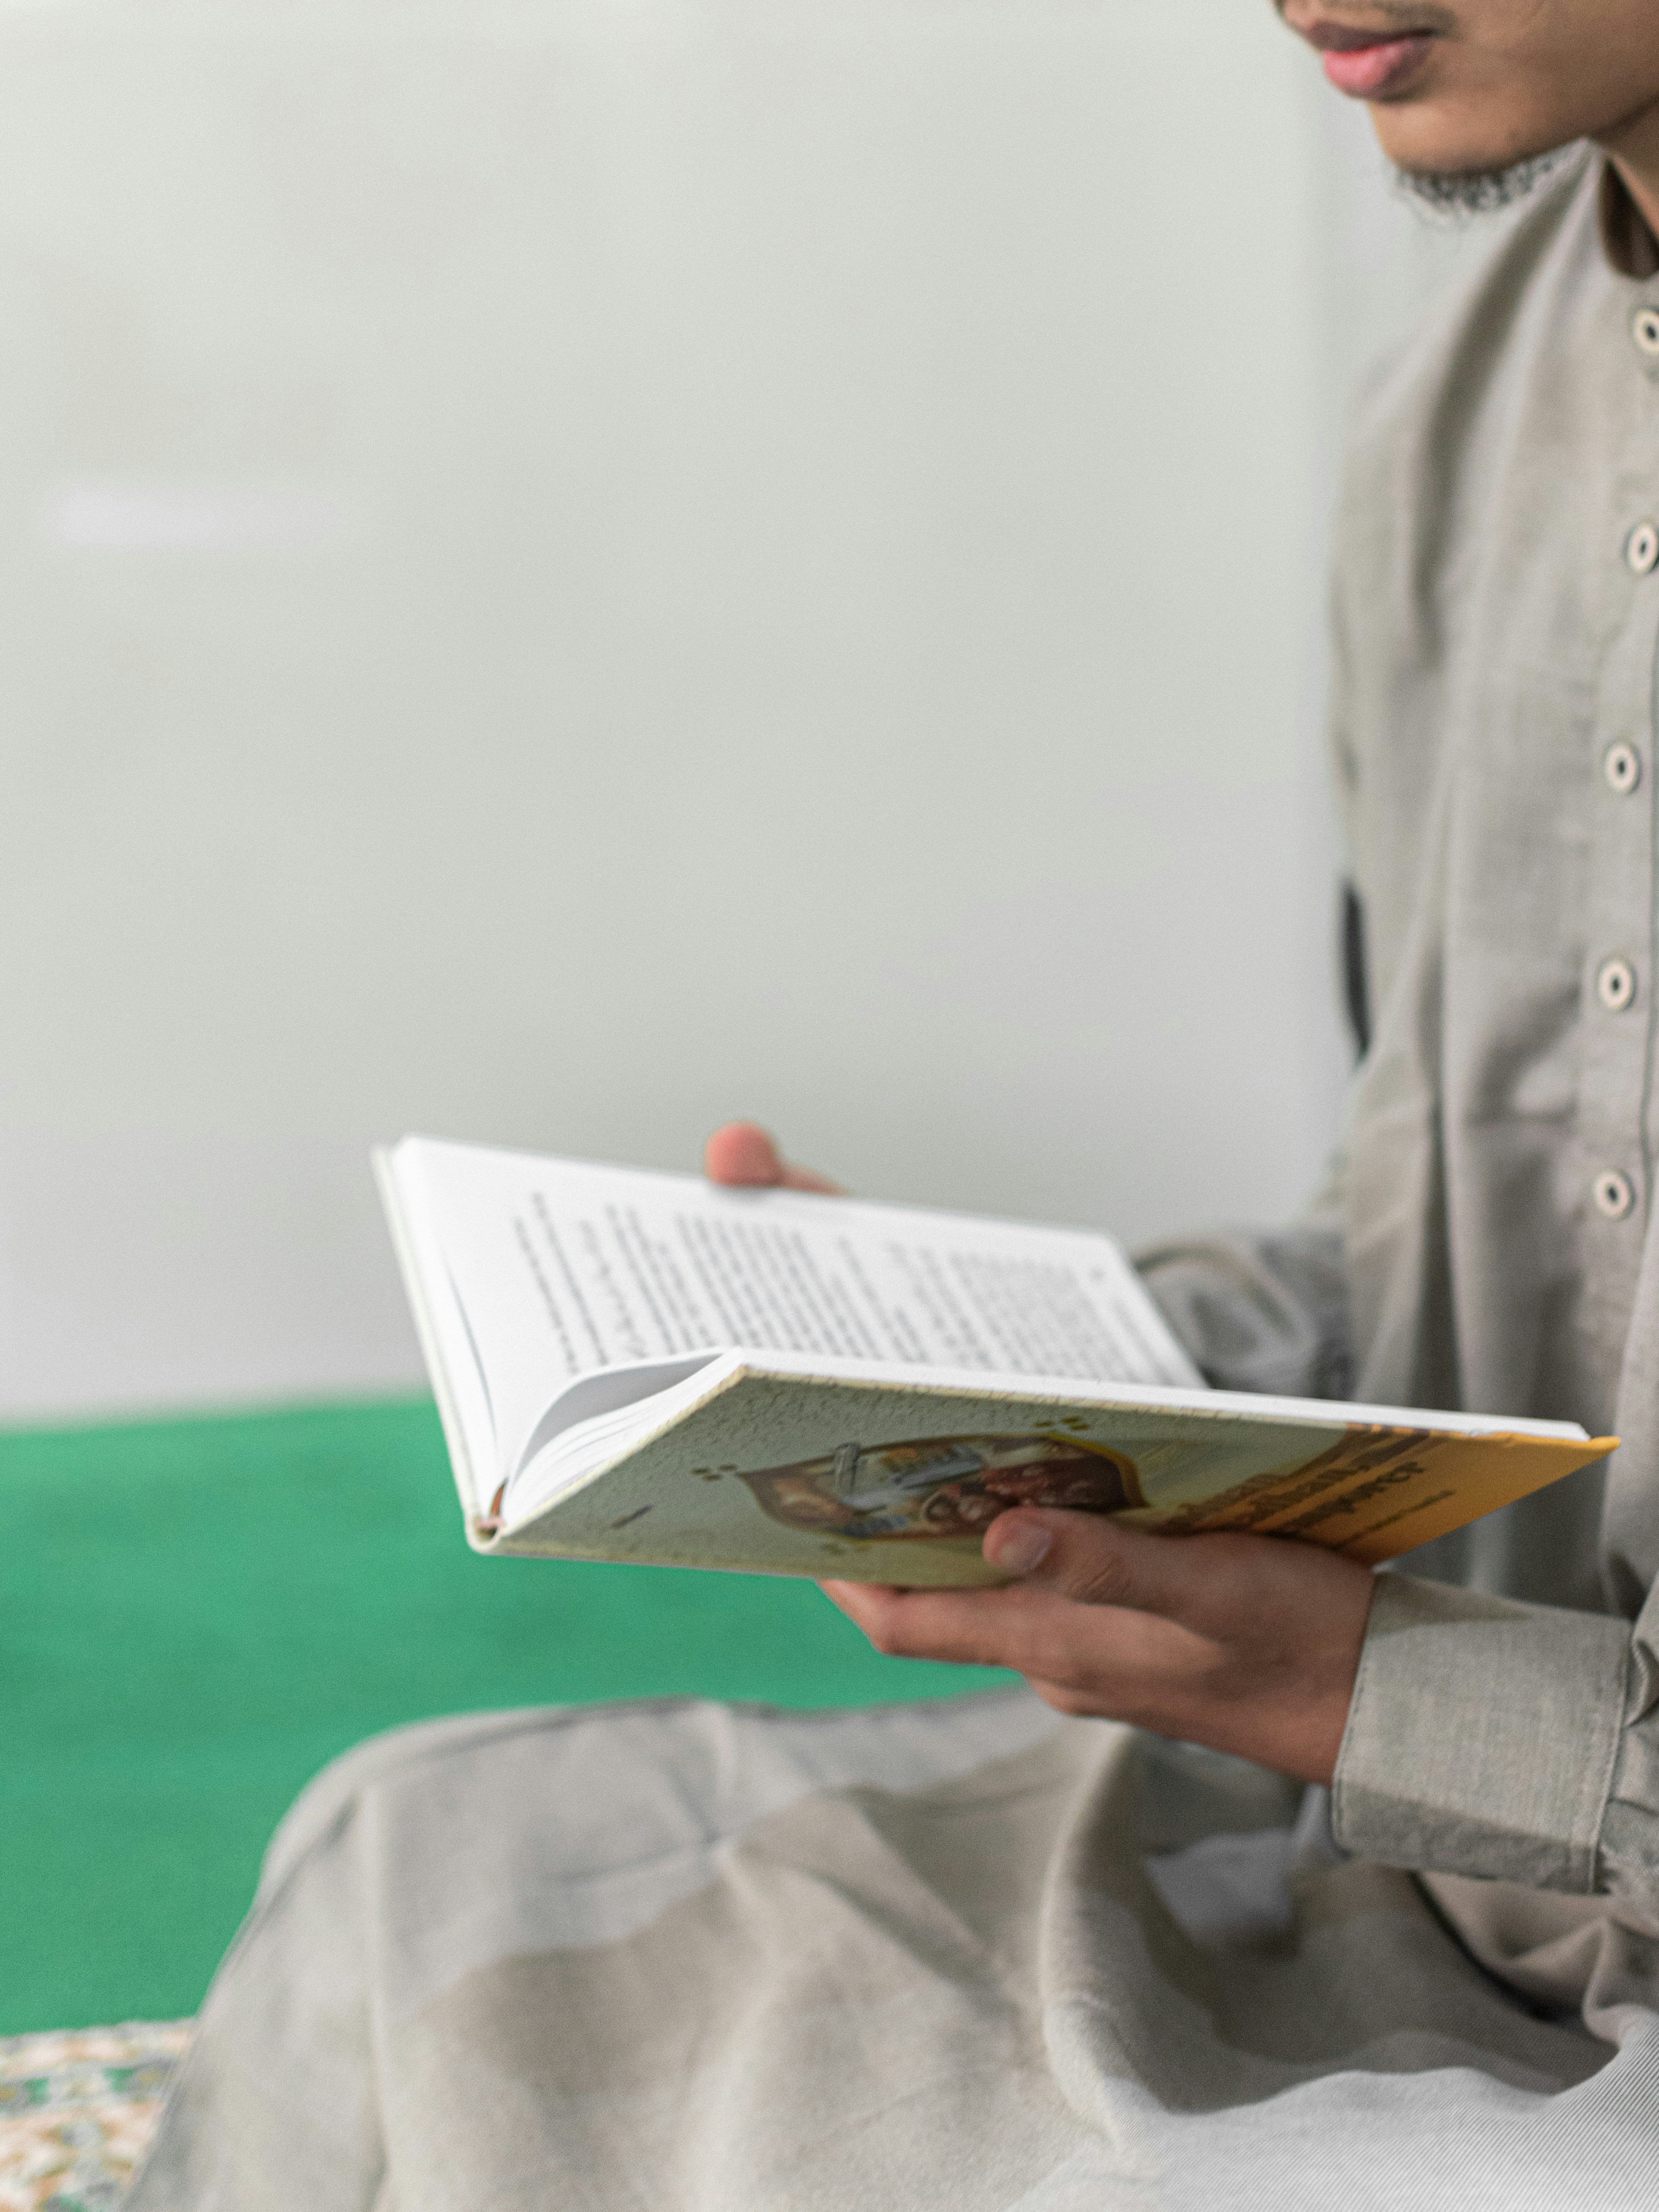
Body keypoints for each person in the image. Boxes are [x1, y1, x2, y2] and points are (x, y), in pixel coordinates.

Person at [131, 5, 1659, 2205]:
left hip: (1509, 1876)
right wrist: (1004, 1371)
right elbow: (1451, 1218)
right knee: (423, 1857)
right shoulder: (1465, 402)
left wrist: (1374, 1694)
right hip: (1416, 1858)